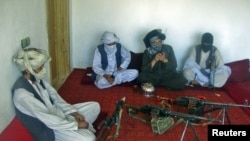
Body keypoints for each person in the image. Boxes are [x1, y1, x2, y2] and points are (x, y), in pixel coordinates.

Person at [12, 48, 100, 141]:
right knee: (89, 138)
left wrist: (74, 113)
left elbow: (57, 99)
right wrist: (76, 125)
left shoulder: (38, 80)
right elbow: (47, 118)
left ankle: (78, 129)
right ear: (28, 70)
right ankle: (79, 130)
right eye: (40, 67)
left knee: (95, 106)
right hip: (51, 129)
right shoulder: (22, 94)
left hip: (60, 115)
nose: (43, 70)